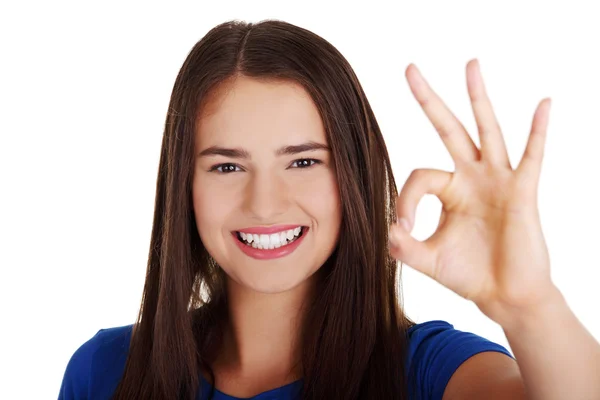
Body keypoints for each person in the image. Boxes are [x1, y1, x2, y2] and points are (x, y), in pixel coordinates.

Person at [58, 19, 600, 400]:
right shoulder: (104, 372)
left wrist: (531, 305)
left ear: (353, 176)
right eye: (227, 167)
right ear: (183, 187)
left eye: (303, 162)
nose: (265, 203)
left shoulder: (428, 372)